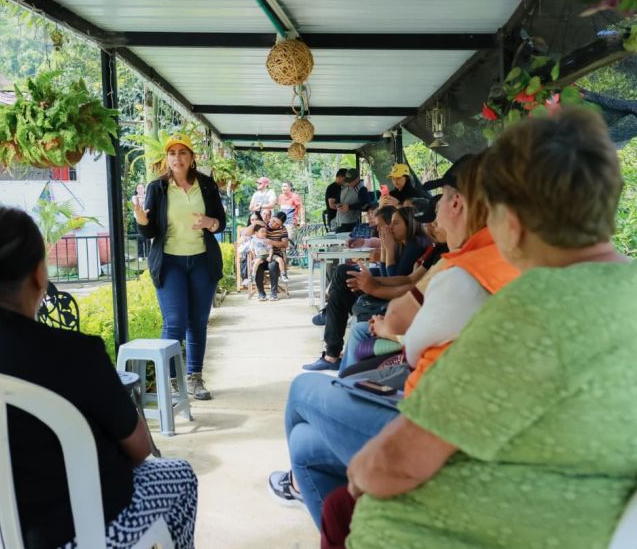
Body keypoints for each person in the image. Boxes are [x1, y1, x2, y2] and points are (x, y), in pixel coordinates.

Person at [346, 109, 637, 549]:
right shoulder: (618, 289)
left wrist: (358, 472)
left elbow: (395, 465)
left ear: (512, 223)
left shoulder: (535, 308)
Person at [0, 205, 198, 549]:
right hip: (72, 536)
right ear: (39, 274)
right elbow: (139, 449)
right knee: (180, 475)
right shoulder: (76, 353)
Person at [271, 152, 519, 529]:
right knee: (304, 446)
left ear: (457, 203)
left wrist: (433, 271)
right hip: (474, 425)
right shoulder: (510, 259)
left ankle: (354, 508)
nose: (434, 214)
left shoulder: (464, 271)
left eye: (440, 200)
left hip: (437, 435)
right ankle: (332, 508)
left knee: (302, 389)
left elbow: (411, 341)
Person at [134, 133, 226, 400]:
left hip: (202, 261)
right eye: (172, 153)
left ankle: (195, 378)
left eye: (182, 152)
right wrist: (141, 220)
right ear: (167, 158)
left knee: (197, 322)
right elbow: (150, 231)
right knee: (174, 322)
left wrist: (210, 223)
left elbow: (221, 221)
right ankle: (173, 382)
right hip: (170, 262)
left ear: (191, 157)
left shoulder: (206, 185)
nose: (177, 158)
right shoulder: (158, 188)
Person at [304, 206, 429, 372]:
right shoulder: (402, 244)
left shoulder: (415, 244)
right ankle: (331, 345)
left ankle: (331, 350)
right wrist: (385, 249)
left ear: (410, 224)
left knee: (342, 279)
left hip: (395, 302)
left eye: (395, 223)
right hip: (386, 294)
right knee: (341, 282)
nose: (389, 228)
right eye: (389, 224)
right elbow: (386, 275)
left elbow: (394, 279)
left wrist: (387, 250)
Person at [255, 211, 288, 301]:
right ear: (271, 217)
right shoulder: (263, 225)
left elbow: (285, 244)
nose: (274, 224)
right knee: (258, 266)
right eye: (273, 221)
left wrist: (271, 242)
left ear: (281, 225)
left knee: (272, 265)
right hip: (261, 254)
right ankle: (261, 293)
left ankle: (273, 293)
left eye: (277, 224)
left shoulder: (283, 229)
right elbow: (245, 233)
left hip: (275, 255)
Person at [332, 169, 370, 233]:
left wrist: (349, 207)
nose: (349, 183)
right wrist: (337, 204)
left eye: (351, 181)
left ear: (357, 179)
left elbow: (365, 205)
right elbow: (338, 200)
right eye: (348, 181)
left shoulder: (361, 189)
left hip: (351, 224)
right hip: (339, 222)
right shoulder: (345, 187)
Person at [131, 183, 150, 259]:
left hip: (146, 218)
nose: (140, 189)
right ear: (136, 190)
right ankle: (140, 255)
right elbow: (138, 205)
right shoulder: (134, 197)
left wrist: (143, 198)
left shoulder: (147, 196)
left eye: (142, 188)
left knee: (147, 236)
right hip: (137, 219)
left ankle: (148, 254)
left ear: (144, 189)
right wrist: (143, 199)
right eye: (138, 188)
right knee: (139, 237)